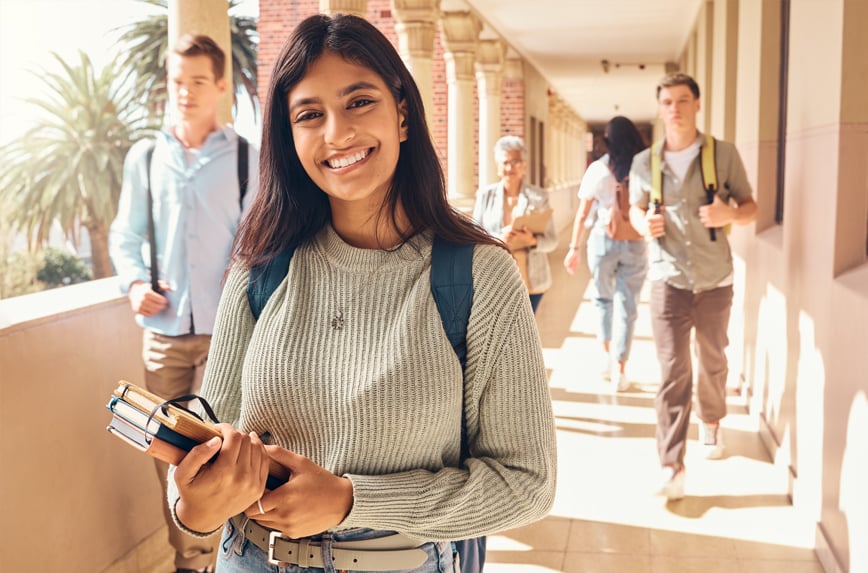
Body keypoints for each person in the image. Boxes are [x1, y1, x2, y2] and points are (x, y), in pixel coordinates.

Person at [163, 13, 557, 573]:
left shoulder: (479, 276)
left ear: (401, 114)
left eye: (359, 102)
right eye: (309, 115)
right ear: (289, 136)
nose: (337, 134)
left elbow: (527, 484)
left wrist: (351, 500)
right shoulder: (260, 271)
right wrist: (195, 508)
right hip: (248, 558)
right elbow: (213, 447)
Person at [109, 34, 259, 573]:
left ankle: (233, 556)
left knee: (222, 451)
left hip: (228, 335)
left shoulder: (246, 156)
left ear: (220, 86)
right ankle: (190, 562)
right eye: (178, 82)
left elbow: (257, 238)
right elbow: (125, 235)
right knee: (167, 455)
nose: (186, 92)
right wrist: (132, 284)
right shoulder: (146, 157)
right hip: (164, 335)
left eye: (198, 81)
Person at [628, 72, 757, 500]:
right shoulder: (645, 162)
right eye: (667, 102)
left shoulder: (723, 155)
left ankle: (713, 418)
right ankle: (672, 466)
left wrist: (730, 216)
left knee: (712, 359)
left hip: (715, 279)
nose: (675, 109)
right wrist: (642, 224)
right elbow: (635, 208)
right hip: (668, 280)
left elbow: (750, 206)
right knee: (673, 371)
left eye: (683, 101)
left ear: (697, 105)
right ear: (660, 108)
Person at [563, 116, 648, 392]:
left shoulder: (598, 170)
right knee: (628, 306)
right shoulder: (642, 167)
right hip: (635, 240)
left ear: (608, 140)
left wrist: (574, 248)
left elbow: (582, 214)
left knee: (602, 300)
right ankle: (621, 370)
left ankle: (605, 358)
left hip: (602, 241)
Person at [473, 135, 558, 313]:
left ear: (524, 165)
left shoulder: (539, 197)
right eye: (505, 162)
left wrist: (532, 241)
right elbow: (473, 236)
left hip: (531, 278)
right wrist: (497, 238)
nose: (510, 167)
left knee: (527, 333)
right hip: (496, 277)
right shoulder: (485, 196)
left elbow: (552, 241)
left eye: (516, 162)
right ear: (498, 166)